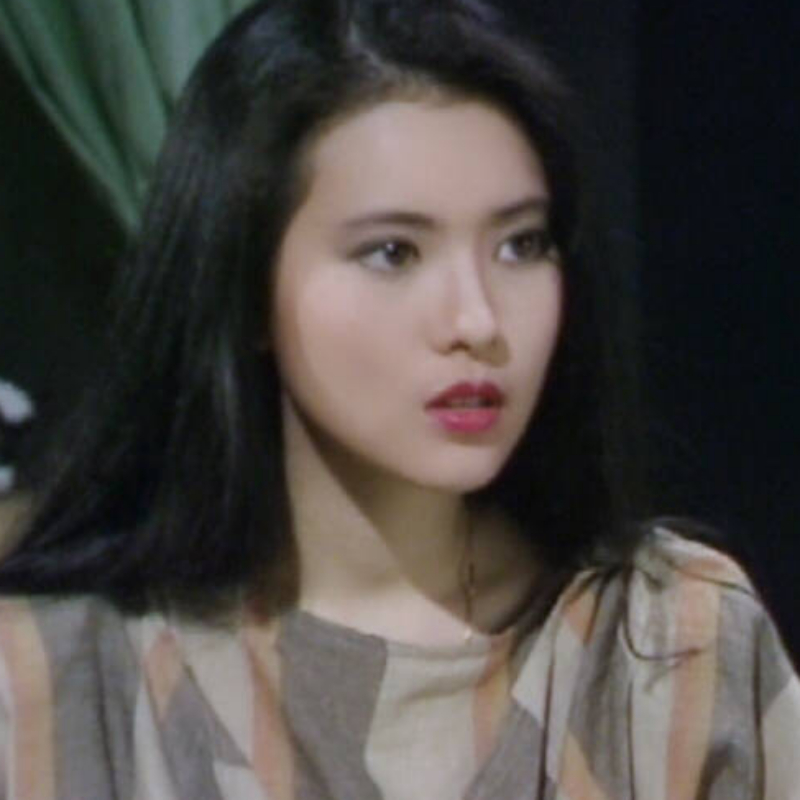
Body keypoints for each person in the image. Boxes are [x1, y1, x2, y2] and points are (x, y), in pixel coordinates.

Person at [0, 1, 797, 797]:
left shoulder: (669, 643)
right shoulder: (58, 682)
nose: (476, 320)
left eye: (521, 244)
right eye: (393, 253)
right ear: (244, 288)